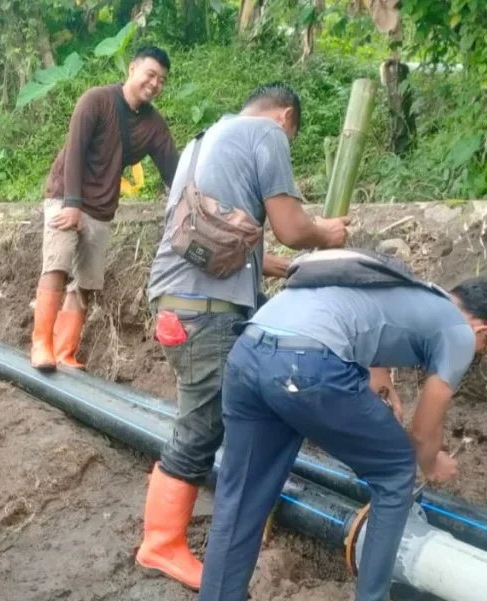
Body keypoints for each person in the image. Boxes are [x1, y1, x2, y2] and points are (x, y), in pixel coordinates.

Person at [137, 82, 351, 589]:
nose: (287, 144)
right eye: (292, 135)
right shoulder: (267, 134)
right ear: (285, 116)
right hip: (205, 314)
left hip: (180, 303)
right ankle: (160, 544)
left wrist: (282, 268)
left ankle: (200, 523)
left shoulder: (205, 139)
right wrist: (326, 233)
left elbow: (218, 240)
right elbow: (292, 228)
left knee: (211, 420)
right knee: (203, 427)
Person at [198, 272, 487, 601]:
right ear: (484, 329)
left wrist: (381, 378)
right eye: (484, 350)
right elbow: (422, 433)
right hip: (304, 363)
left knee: (243, 495)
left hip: (249, 351)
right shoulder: (460, 332)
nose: (476, 353)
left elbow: (363, 329)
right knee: (396, 469)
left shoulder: (416, 292)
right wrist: (431, 462)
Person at [30, 46, 179, 372]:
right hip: (65, 195)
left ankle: (64, 350)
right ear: (132, 69)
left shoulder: (154, 125)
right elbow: (74, 150)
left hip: (100, 208)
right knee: (57, 265)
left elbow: (174, 171)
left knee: (85, 282)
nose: (155, 84)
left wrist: (195, 201)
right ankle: (41, 344)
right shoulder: (96, 100)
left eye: (162, 80)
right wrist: (72, 205)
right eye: (151, 74)